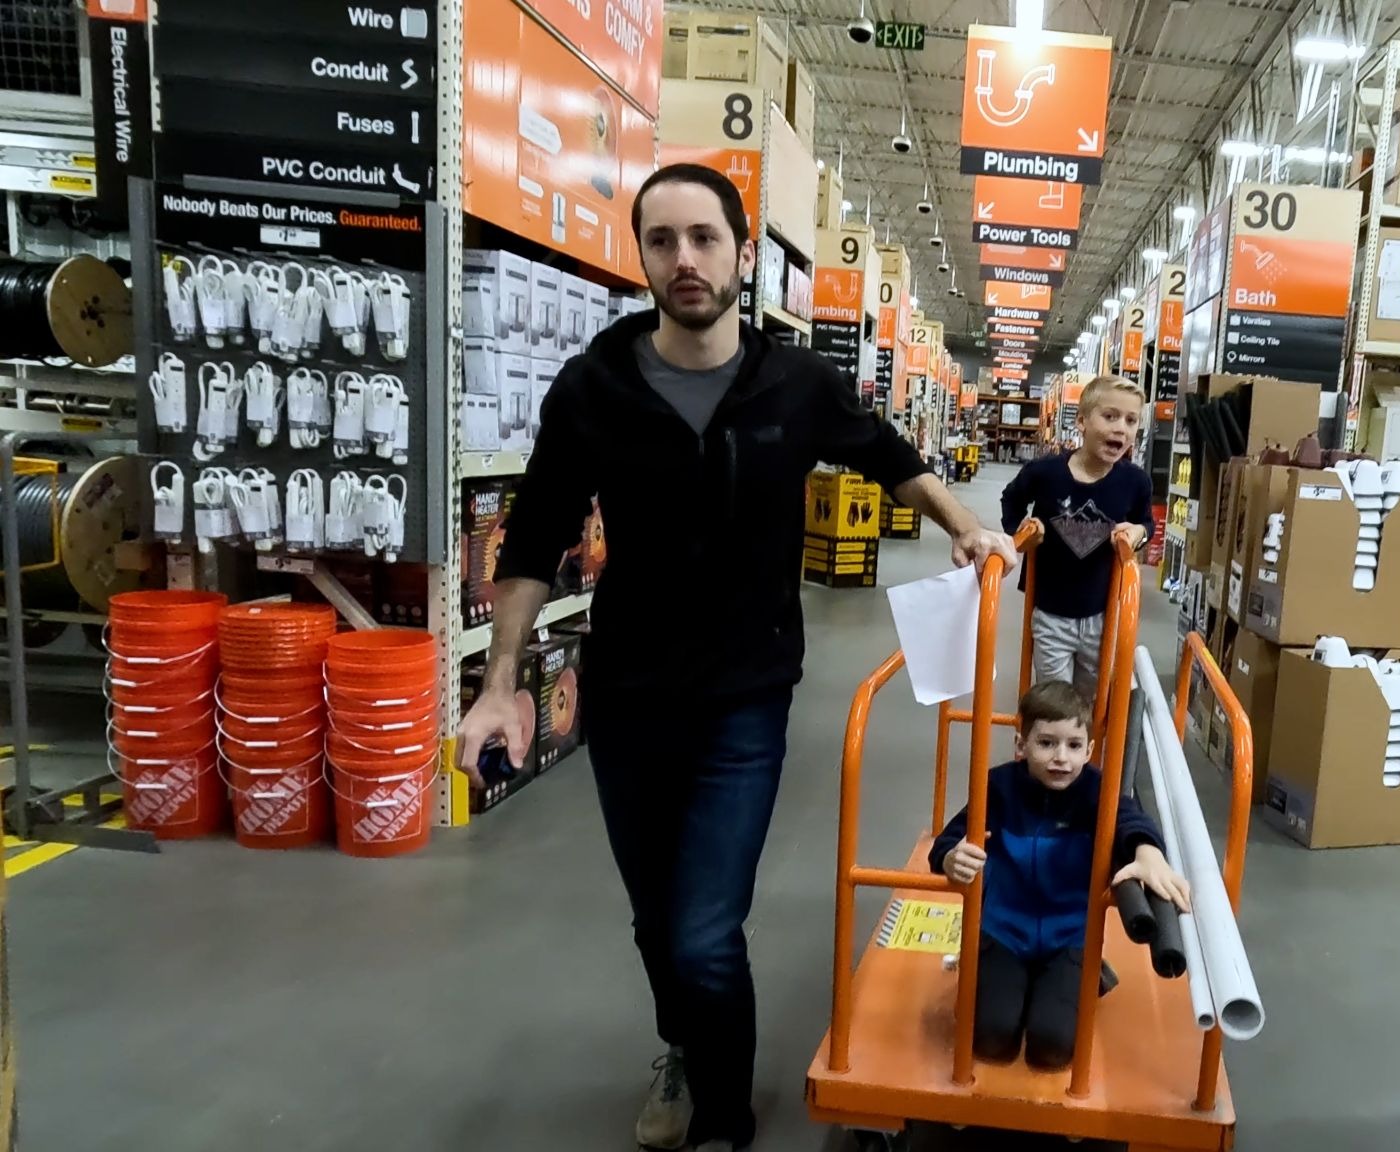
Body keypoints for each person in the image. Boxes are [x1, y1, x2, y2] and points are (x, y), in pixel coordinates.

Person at [454, 162, 1016, 1152]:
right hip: (626, 698)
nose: (684, 259)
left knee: (705, 931)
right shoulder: (595, 386)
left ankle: (723, 1116)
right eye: (662, 240)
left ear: (740, 255)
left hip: (744, 700)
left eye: (704, 238)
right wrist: (501, 684)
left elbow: (885, 452)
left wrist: (964, 526)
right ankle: (681, 1047)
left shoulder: (792, 382)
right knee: (655, 919)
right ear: (642, 257)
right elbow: (536, 534)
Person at [930, 680, 1191, 1069]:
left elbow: (1129, 818)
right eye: (1046, 743)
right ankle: (1005, 979)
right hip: (1004, 932)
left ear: (1089, 750)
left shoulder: (1095, 791)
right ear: (1021, 745)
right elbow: (950, 839)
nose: (1060, 758)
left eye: (1072, 746)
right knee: (989, 1040)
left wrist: (1148, 852)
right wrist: (951, 857)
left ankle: (1087, 976)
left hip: (1068, 937)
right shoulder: (1000, 787)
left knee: (1052, 1049)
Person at [999, 376, 1153, 701]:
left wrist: (1139, 533)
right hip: (1050, 613)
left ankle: (1082, 750)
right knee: (1054, 700)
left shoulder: (1135, 482)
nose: (1120, 429)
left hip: (1103, 614)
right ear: (1081, 421)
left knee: (1092, 702)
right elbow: (1011, 499)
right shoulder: (1045, 473)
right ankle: (1054, 748)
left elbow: (1145, 522)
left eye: (1131, 420)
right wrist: (1019, 532)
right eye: (1109, 416)